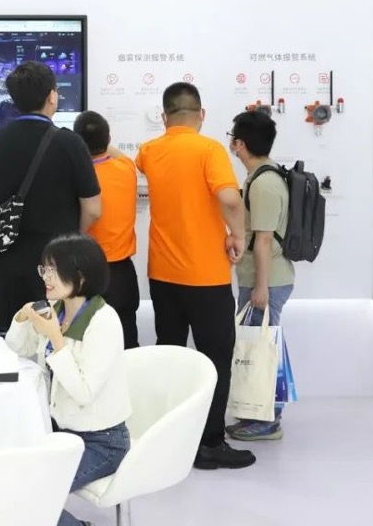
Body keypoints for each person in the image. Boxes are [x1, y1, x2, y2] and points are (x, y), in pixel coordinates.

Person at [135, 82, 254, 470]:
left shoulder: (149, 150)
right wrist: (238, 235)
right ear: (201, 114)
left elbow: (135, 162)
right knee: (215, 359)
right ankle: (210, 442)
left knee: (170, 355)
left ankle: (169, 440)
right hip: (206, 277)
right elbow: (230, 198)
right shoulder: (209, 149)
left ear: (164, 116)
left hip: (162, 275)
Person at [5, 233, 131, 526]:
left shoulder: (104, 321)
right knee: (7, 480)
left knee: (32, 496)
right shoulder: (56, 311)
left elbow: (84, 392)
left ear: (81, 276)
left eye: (54, 270)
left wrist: (55, 339)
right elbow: (17, 348)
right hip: (61, 433)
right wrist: (22, 318)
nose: (46, 277)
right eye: (45, 269)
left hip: (103, 443)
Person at [0, 61, 101, 332]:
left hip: (8, 265)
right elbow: (92, 209)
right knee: (56, 339)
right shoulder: (70, 143)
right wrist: (70, 240)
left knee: (8, 337)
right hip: (58, 266)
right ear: (52, 96)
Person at [226, 111, 295, 441]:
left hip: (266, 280)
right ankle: (258, 414)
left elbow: (264, 239)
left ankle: (267, 421)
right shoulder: (259, 177)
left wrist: (261, 288)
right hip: (259, 278)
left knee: (262, 349)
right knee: (261, 346)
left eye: (232, 137)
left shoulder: (264, 183)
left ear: (240, 144)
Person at [73, 110, 141, 348]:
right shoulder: (126, 167)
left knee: (85, 344)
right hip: (122, 273)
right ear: (109, 138)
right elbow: (114, 152)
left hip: (88, 271)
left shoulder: (79, 178)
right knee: (126, 341)